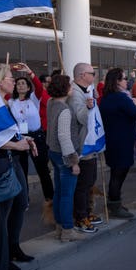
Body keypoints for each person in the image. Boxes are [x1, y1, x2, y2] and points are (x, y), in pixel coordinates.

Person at [0, 64, 35, 270]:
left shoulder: (4, 103)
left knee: (20, 204)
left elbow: (8, 134)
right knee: (0, 218)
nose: (14, 81)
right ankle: (0, 268)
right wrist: (17, 144)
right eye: (9, 77)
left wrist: (23, 141)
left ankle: (11, 251)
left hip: (11, 160)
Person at [8, 64, 54, 205]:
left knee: (42, 168)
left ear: (28, 87)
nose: (21, 86)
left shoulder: (34, 98)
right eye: (18, 83)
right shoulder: (11, 101)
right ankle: (24, 199)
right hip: (20, 138)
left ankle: (50, 198)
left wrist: (30, 72)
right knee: (21, 170)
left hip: (36, 136)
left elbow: (39, 87)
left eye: (24, 83)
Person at [100, 68, 136, 218]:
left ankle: (115, 202)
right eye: (124, 79)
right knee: (119, 174)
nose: (126, 82)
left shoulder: (105, 97)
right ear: (117, 81)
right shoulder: (122, 98)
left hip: (111, 140)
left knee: (116, 173)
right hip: (122, 140)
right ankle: (114, 204)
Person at [46, 74, 84, 241]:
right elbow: (64, 137)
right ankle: (68, 230)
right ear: (65, 89)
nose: (71, 88)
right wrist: (73, 161)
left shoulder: (51, 103)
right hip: (64, 154)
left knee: (59, 192)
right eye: (69, 85)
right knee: (67, 194)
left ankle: (59, 227)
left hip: (53, 152)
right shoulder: (65, 110)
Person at [68, 63, 103, 234]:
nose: (94, 76)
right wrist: (89, 107)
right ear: (82, 75)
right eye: (92, 73)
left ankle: (87, 212)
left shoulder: (85, 90)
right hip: (82, 145)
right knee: (83, 184)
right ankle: (80, 217)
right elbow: (82, 118)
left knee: (90, 181)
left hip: (90, 142)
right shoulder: (75, 94)